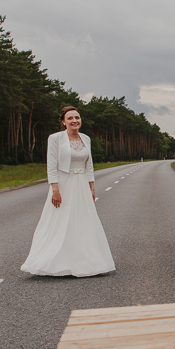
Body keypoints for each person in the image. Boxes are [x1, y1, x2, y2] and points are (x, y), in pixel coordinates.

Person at [21, 106, 115, 277]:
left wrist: (92, 187)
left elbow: (90, 164)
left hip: (81, 184)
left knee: (83, 221)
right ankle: (53, 261)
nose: (74, 121)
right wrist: (55, 189)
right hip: (64, 184)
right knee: (60, 221)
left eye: (77, 118)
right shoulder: (55, 138)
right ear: (63, 122)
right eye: (70, 118)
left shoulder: (85, 138)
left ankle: (87, 261)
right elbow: (52, 165)